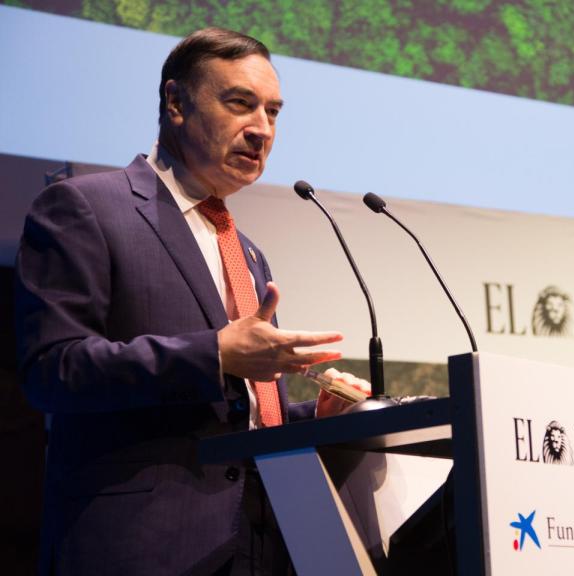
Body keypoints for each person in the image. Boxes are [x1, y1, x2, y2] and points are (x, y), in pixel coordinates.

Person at [15, 27, 363, 575]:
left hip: (262, 544)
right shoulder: (85, 208)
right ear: (176, 103)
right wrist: (215, 354)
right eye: (240, 104)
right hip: (141, 546)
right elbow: (52, 369)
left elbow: (232, 417)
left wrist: (310, 415)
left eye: (273, 112)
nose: (262, 130)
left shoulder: (247, 253)